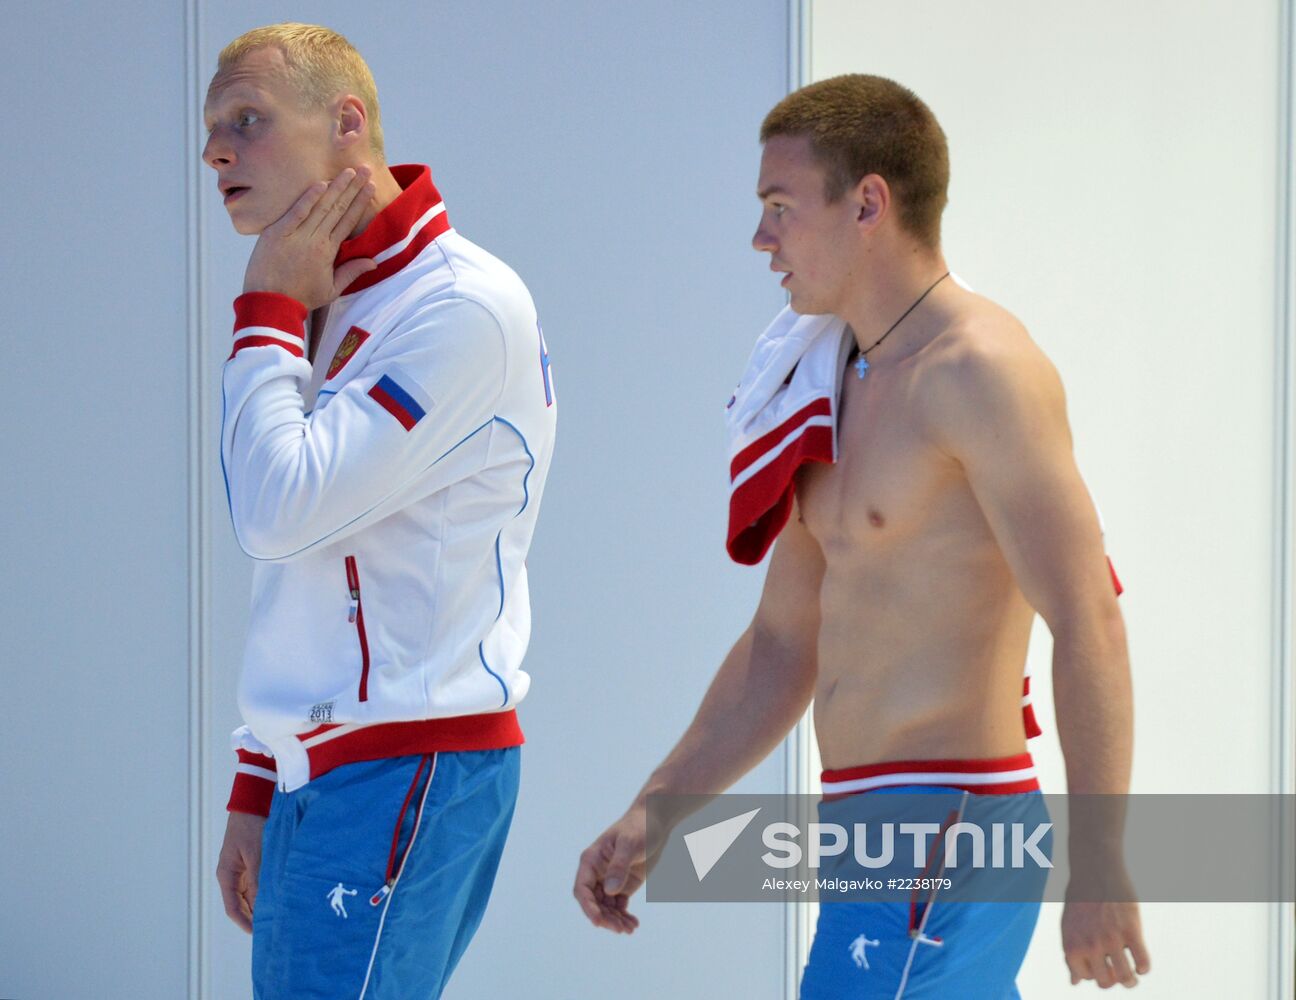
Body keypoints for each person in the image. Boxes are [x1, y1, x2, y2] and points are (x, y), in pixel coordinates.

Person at [575, 74, 1149, 996]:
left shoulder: (982, 372)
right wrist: (657, 810)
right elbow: (780, 644)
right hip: (867, 832)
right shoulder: (823, 376)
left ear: (868, 203)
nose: (761, 239)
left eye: (779, 208)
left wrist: (1104, 864)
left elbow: (1088, 617)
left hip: (951, 828)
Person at [204, 23, 556, 999]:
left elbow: (277, 511)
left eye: (248, 121)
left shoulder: (457, 308)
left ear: (347, 121)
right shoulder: (330, 293)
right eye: (212, 131)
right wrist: (259, 777)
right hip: (330, 764)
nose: (216, 152)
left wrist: (266, 308)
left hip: (405, 758)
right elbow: (304, 560)